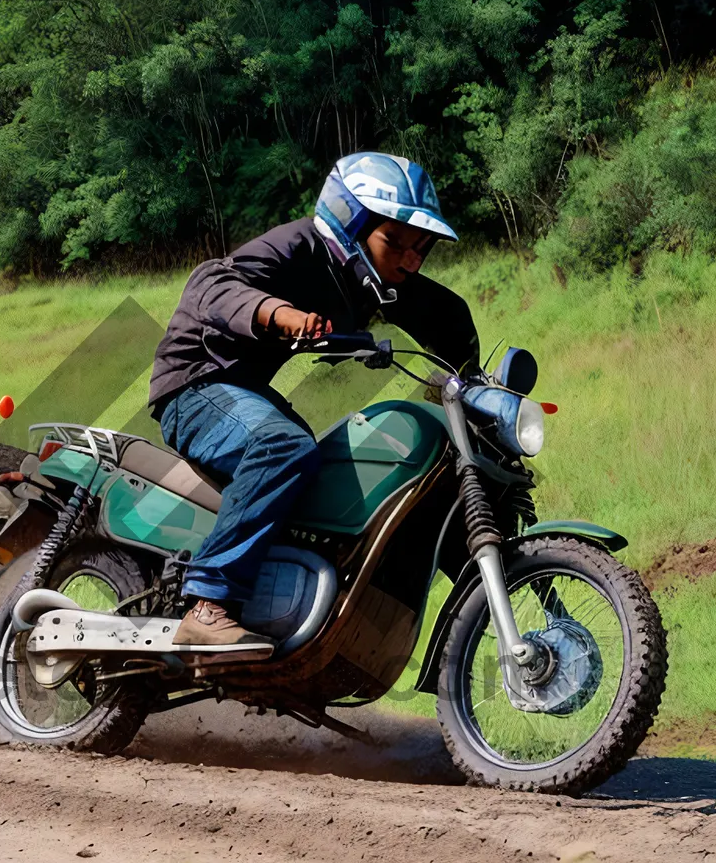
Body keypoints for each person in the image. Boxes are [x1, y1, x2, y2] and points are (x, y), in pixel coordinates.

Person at [148, 152, 480, 650]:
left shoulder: (376, 278)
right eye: (397, 241)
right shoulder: (299, 245)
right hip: (194, 383)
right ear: (352, 222)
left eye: (421, 248)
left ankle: (287, 608)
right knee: (283, 447)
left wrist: (475, 385)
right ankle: (210, 602)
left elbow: (447, 315)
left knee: (327, 473)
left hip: (244, 392)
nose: (411, 259)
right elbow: (210, 284)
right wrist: (278, 313)